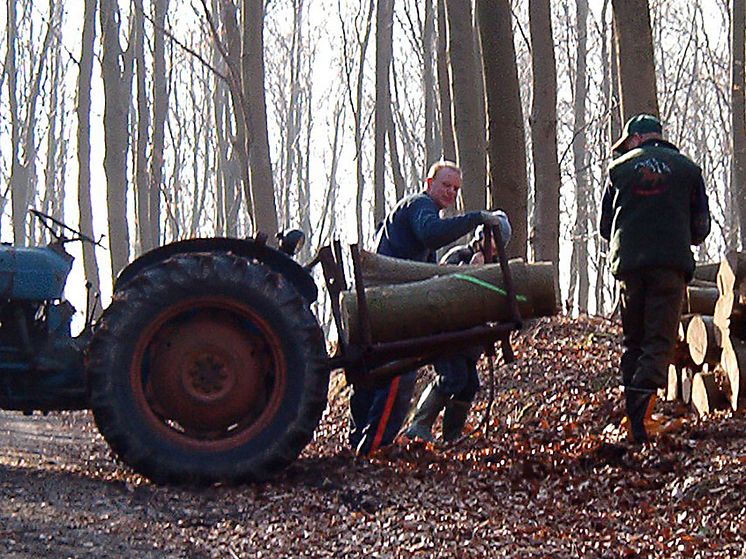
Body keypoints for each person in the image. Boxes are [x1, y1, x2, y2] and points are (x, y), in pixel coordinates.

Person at [348, 160, 511, 455]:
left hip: (389, 302)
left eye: (456, 189)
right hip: (386, 302)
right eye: (446, 185)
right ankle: (374, 448)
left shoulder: (424, 216)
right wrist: (475, 217)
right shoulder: (420, 206)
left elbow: (429, 274)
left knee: (376, 377)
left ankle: (362, 445)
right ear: (429, 183)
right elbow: (430, 234)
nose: (451, 192)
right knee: (398, 375)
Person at [599, 114, 711, 443]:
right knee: (657, 343)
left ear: (636, 139)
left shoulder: (618, 171)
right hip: (669, 267)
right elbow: (701, 229)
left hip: (629, 268)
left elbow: (606, 228)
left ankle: (636, 418)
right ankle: (639, 422)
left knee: (633, 342)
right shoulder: (688, 170)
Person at [405, 221, 511, 443]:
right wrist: (470, 268)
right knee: (452, 379)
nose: (493, 245)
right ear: (481, 237)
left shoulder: (496, 268)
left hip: (469, 343)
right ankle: (419, 425)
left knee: (469, 385)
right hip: (447, 335)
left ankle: (451, 436)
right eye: (491, 238)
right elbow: (440, 289)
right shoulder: (459, 255)